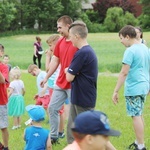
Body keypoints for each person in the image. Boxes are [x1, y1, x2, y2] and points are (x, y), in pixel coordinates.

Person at [40, 15, 78, 143]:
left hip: (73, 83)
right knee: (52, 108)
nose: (58, 30)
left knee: (75, 113)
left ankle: (75, 140)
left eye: (60, 27)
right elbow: (55, 60)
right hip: (60, 83)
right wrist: (46, 77)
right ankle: (54, 136)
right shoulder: (60, 42)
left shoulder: (76, 42)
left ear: (68, 26)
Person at [112, 25, 150, 150]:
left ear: (128, 37)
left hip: (134, 87)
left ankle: (140, 145)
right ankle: (138, 141)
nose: (121, 41)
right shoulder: (145, 48)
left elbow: (124, 72)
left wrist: (116, 90)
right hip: (144, 86)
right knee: (139, 114)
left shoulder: (130, 51)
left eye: (121, 38)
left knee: (136, 115)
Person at [65, 20, 98, 143]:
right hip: (79, 96)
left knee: (87, 132)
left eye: (70, 37)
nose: (70, 40)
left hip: (83, 98)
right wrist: (71, 71)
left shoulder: (82, 53)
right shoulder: (86, 51)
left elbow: (69, 77)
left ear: (77, 36)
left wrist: (68, 70)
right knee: (73, 129)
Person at [45, 34, 66, 138]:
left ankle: (60, 132)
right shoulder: (58, 55)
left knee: (58, 110)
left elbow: (47, 68)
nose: (50, 48)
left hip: (56, 86)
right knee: (57, 110)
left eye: (50, 45)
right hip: (53, 85)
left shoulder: (56, 57)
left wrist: (47, 56)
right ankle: (59, 131)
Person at [0, 44, 9, 150]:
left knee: (3, 126)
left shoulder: (4, 67)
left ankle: (6, 147)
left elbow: (2, 80)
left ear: (1, 53)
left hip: (1, 101)